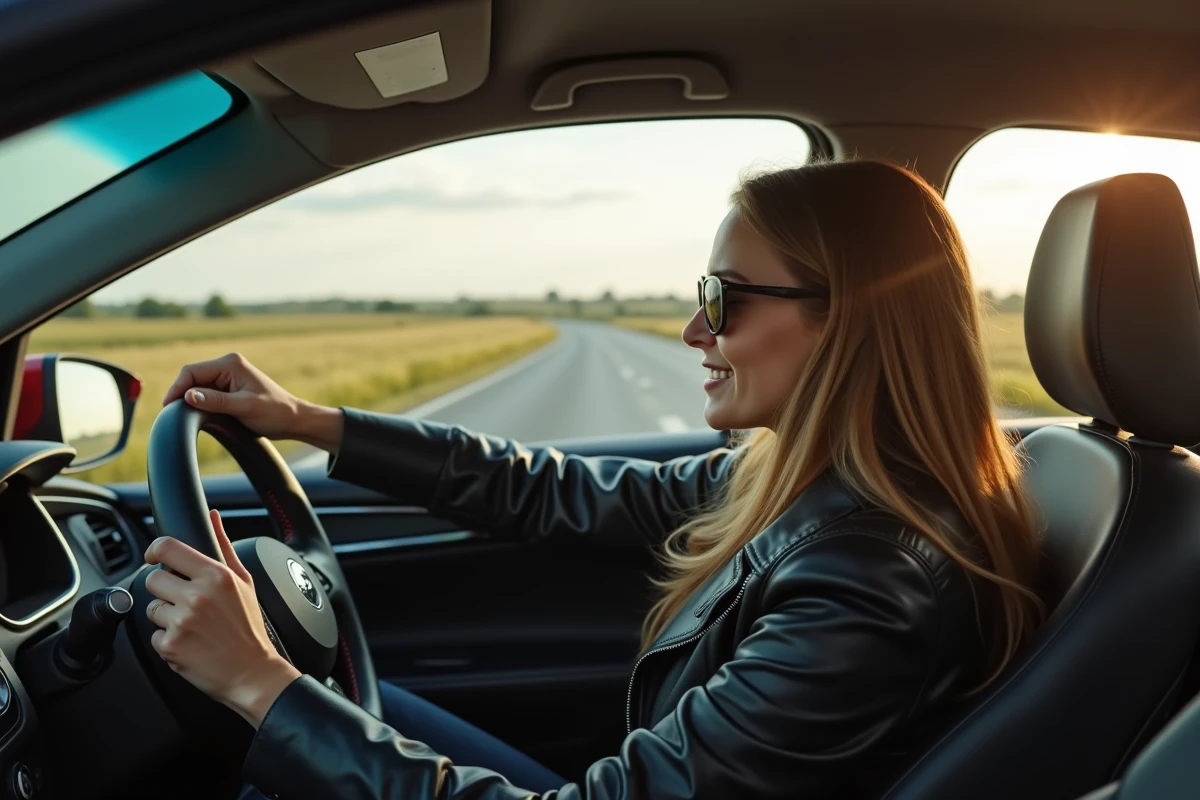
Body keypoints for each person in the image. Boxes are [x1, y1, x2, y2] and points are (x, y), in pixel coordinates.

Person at [143, 159, 1044, 800]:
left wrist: (259, 682)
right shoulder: (797, 479)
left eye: (724, 300)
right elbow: (547, 487)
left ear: (848, 321)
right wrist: (308, 420)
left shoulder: (868, 579)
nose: (694, 331)